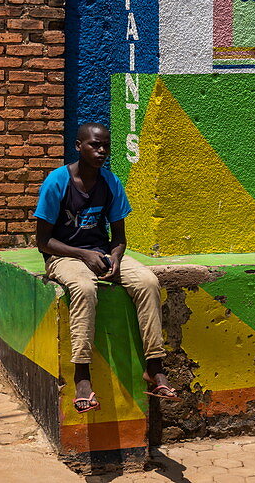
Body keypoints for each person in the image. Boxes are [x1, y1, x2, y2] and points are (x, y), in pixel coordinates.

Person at [33, 122, 178, 413]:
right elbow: (43, 241)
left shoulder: (110, 183)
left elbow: (120, 238)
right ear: (78, 146)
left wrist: (116, 260)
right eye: (94, 145)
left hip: (101, 254)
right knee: (85, 289)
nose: (101, 151)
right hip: (63, 256)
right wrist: (83, 254)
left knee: (148, 281)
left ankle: (155, 366)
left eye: (106, 146)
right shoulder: (57, 182)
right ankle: (82, 376)